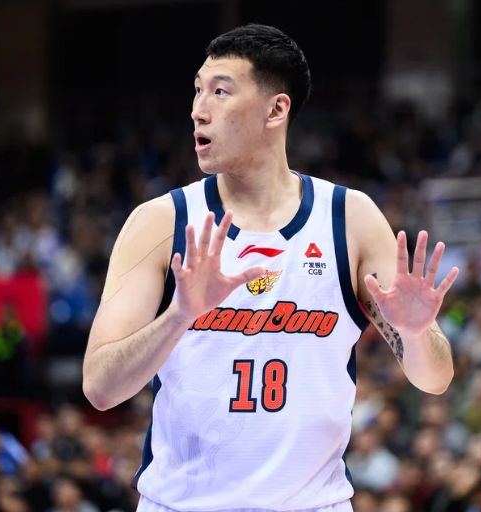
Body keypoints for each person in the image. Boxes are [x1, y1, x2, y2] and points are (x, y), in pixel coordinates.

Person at [82, 24, 459, 512]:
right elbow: (100, 388)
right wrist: (178, 316)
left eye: (220, 91)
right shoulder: (160, 222)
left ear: (276, 110)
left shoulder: (350, 219)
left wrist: (415, 331)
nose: (198, 109)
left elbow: (435, 379)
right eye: (197, 90)